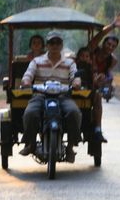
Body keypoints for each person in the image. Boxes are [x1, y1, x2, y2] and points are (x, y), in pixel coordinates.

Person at [19, 31, 82, 162]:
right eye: (52, 42)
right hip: (40, 96)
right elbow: (28, 74)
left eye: (58, 42)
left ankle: (70, 147)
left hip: (63, 96)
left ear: (62, 45)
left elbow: (75, 77)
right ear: (47, 45)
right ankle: (30, 143)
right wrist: (26, 81)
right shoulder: (37, 61)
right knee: (30, 113)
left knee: (74, 112)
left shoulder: (70, 62)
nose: (55, 45)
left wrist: (76, 83)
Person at [87, 12, 120, 142]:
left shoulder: (112, 60)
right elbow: (98, 37)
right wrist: (113, 25)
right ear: (103, 44)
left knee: (98, 99)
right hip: (82, 82)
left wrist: (105, 80)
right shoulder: (92, 50)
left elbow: (108, 74)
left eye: (113, 46)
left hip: (94, 86)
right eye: (108, 44)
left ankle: (98, 130)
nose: (110, 47)